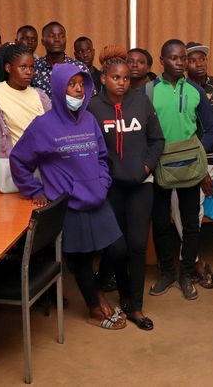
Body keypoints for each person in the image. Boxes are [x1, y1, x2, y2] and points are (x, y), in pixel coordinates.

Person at [10, 63, 127, 330]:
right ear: (58, 89)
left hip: (97, 197)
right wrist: (35, 190)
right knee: (83, 258)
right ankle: (94, 308)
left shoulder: (89, 119)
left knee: (118, 249)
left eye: (80, 84)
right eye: (71, 85)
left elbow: (100, 155)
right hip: (70, 204)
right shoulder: (43, 126)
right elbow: (18, 160)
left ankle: (97, 291)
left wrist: (103, 180)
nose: (77, 90)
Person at [88, 46, 164, 330]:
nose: (121, 82)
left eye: (125, 78)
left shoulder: (141, 103)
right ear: (104, 78)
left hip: (141, 186)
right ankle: (111, 291)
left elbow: (157, 140)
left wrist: (146, 167)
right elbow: (91, 148)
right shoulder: (93, 107)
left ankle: (135, 307)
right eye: (115, 77)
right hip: (110, 189)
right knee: (116, 247)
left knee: (137, 245)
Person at [147, 39, 213, 301]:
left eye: (183, 59)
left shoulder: (196, 91)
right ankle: (166, 272)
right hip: (159, 168)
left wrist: (194, 150)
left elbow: (211, 130)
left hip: (190, 169)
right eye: (174, 58)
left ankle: (186, 274)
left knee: (190, 223)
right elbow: (143, 131)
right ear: (162, 60)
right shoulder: (149, 92)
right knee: (162, 222)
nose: (180, 63)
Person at [170, 41, 213, 288]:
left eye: (202, 59)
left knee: (194, 208)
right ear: (184, 63)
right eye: (193, 59)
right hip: (184, 159)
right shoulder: (179, 88)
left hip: (209, 156)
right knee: (179, 208)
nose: (199, 63)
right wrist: (198, 172)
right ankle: (194, 260)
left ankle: (190, 262)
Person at [0, 43, 50, 166]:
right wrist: (2, 171)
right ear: (8, 68)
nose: (29, 72)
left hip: (43, 163)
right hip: (15, 164)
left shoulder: (40, 96)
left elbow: (51, 132)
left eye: (31, 67)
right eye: (23, 67)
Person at [32, 21, 89, 97]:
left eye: (61, 36)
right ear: (43, 41)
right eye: (52, 36)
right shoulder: (34, 67)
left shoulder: (79, 67)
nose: (57, 40)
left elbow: (90, 99)